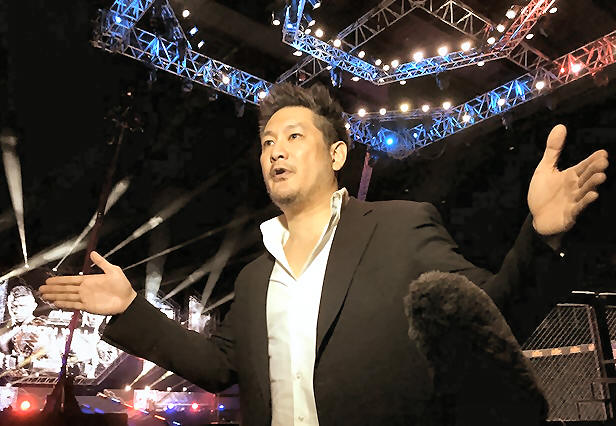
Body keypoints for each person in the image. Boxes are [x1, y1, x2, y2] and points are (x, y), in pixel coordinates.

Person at [40, 82, 609, 425]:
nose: (276, 152)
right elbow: (219, 367)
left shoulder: (400, 227)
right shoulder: (256, 275)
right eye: (267, 142)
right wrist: (130, 309)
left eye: (294, 137)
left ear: (336, 155)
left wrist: (540, 236)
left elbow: (494, 315)